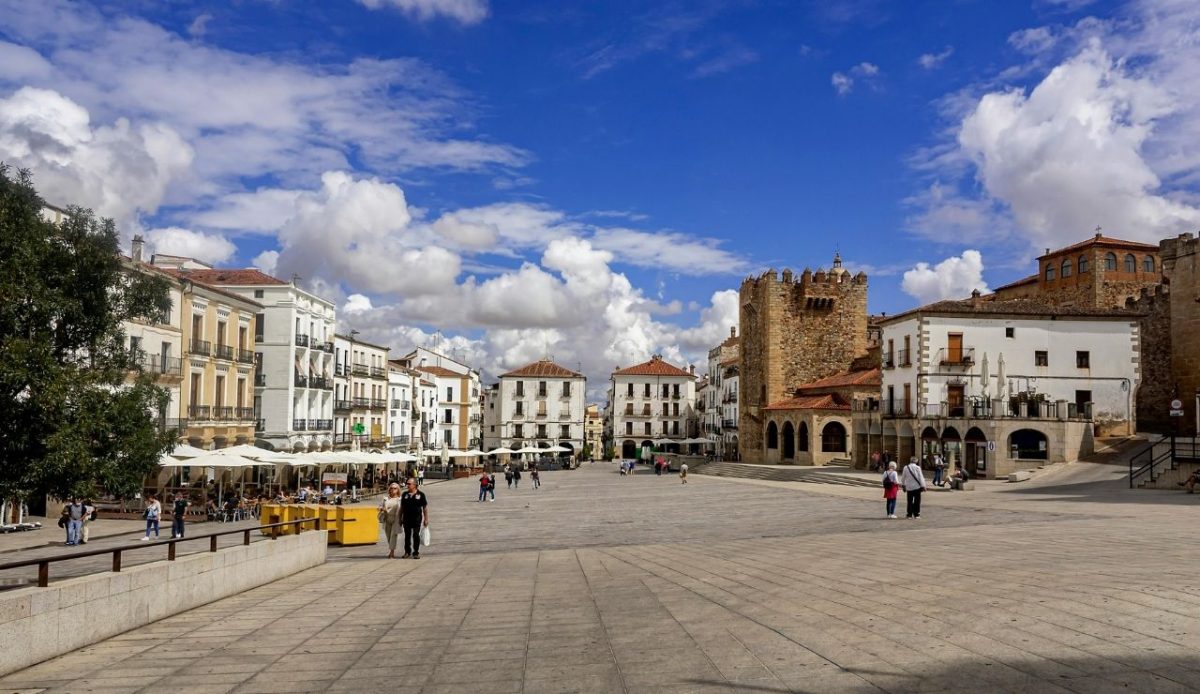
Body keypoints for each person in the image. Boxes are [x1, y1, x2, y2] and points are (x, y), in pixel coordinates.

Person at [399, 478, 428, 559]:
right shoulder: (405, 494)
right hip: (406, 519)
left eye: (409, 484)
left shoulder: (421, 494)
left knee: (416, 535)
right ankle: (407, 552)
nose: (407, 485)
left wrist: (426, 519)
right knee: (407, 536)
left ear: (415, 485)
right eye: (407, 484)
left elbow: (425, 508)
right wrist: (399, 518)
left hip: (417, 519)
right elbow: (402, 508)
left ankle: (416, 552)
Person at [378, 482, 403, 558]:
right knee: (388, 536)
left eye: (395, 488)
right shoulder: (385, 499)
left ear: (398, 490)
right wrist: (381, 509)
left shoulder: (400, 499)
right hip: (387, 518)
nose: (393, 490)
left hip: (396, 519)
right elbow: (380, 507)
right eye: (391, 488)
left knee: (393, 536)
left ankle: (392, 552)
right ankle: (391, 549)